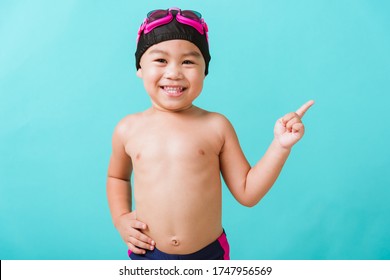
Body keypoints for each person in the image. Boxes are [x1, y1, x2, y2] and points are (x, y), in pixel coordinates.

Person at [106, 7, 314, 260]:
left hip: (209, 255)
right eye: (161, 60)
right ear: (140, 67)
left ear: (205, 70)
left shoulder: (216, 126)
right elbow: (117, 177)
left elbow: (248, 192)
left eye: (188, 61)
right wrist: (121, 218)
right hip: (147, 254)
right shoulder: (128, 128)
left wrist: (280, 146)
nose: (174, 72)